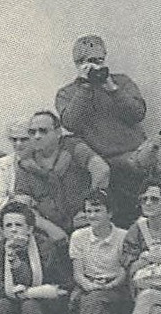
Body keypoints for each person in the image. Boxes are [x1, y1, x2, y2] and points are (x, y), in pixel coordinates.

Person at [55, 34, 148, 225]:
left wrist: (113, 89)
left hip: (133, 155)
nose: (96, 66)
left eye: (99, 60)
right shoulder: (68, 93)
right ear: (78, 64)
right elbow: (70, 123)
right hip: (102, 160)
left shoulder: (121, 82)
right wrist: (85, 86)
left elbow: (138, 114)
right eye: (89, 62)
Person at [63, 190, 127, 314]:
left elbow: (124, 273)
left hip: (114, 289)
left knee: (97, 300)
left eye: (97, 211)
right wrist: (90, 286)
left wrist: (108, 285)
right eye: (88, 211)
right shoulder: (78, 237)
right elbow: (78, 274)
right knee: (99, 308)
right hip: (87, 288)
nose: (92, 215)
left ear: (110, 213)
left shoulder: (123, 237)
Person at [105, 179, 161, 314]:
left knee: (148, 299)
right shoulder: (137, 229)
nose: (148, 203)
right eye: (144, 199)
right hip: (149, 286)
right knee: (153, 312)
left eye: (154, 199)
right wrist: (147, 258)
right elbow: (129, 264)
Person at [16, 109, 109, 234]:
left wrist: (90, 209)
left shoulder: (73, 147)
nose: (37, 136)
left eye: (43, 131)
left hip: (85, 223)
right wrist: (51, 229)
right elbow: (22, 204)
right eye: (32, 132)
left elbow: (102, 170)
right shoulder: (26, 162)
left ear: (58, 132)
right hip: (48, 230)